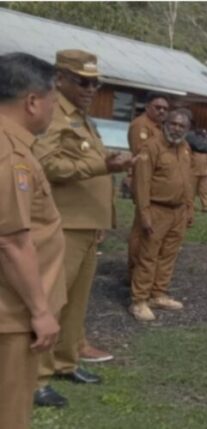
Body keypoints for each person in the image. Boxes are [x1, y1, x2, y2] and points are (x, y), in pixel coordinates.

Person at [32, 50, 133, 408]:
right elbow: (44, 164)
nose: (91, 88)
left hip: (87, 225)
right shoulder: (52, 113)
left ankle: (65, 361)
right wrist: (101, 168)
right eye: (83, 81)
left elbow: (91, 164)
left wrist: (104, 215)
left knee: (76, 303)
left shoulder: (82, 118)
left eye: (96, 82)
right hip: (63, 224)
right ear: (60, 78)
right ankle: (36, 378)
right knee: (52, 300)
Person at [0, 52, 64, 429]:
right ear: (33, 102)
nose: (54, 110)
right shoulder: (11, 157)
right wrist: (40, 311)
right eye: (54, 101)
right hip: (10, 312)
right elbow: (10, 241)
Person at [130, 109, 194, 321]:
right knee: (148, 255)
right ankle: (139, 300)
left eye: (181, 126)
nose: (176, 128)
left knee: (168, 255)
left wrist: (189, 208)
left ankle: (158, 294)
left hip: (178, 211)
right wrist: (145, 214)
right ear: (165, 124)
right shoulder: (152, 146)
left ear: (187, 129)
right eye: (173, 124)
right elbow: (142, 183)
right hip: (157, 209)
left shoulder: (185, 148)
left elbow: (188, 179)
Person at [126, 93, 169, 282]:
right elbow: (142, 155)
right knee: (141, 228)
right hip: (144, 182)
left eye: (165, 109)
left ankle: (144, 271)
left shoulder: (158, 127)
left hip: (157, 184)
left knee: (151, 230)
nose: (162, 111)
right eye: (158, 107)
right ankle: (133, 271)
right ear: (147, 107)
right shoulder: (140, 125)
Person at [188, 129, 207, 212]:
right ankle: (190, 206)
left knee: (204, 191)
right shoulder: (192, 146)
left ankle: (205, 206)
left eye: (204, 136)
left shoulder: (206, 147)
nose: (203, 138)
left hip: (205, 173)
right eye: (201, 136)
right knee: (191, 191)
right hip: (193, 172)